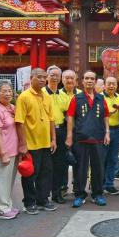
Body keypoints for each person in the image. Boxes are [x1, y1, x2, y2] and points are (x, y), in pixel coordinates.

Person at [65, 71, 110, 207]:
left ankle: (97, 194)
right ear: (82, 81)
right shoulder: (76, 98)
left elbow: (106, 116)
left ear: (96, 81)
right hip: (80, 138)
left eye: (92, 78)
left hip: (98, 137)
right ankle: (80, 194)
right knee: (80, 168)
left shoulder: (101, 99)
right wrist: (69, 136)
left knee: (98, 168)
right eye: (87, 78)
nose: (89, 81)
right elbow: (70, 117)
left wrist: (107, 132)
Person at [15, 68, 56, 215]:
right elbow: (19, 122)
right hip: (31, 143)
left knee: (46, 172)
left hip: (45, 143)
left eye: (44, 77)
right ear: (31, 78)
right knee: (30, 173)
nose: (42, 80)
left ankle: (43, 200)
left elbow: (52, 119)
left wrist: (53, 139)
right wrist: (22, 144)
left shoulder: (46, 96)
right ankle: (29, 202)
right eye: (38, 77)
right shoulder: (24, 97)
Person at [0, 80, 20, 220]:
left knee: (9, 181)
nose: (8, 94)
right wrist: (3, 153)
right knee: (2, 181)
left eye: (9, 91)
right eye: (4, 91)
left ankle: (7, 204)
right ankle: (1, 209)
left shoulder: (12, 108)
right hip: (4, 151)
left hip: (13, 150)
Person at [43, 65, 69, 204]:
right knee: (46, 165)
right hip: (44, 132)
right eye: (52, 75)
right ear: (47, 76)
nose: (54, 77)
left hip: (60, 131)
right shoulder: (41, 92)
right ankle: (43, 194)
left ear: (60, 78)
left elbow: (68, 115)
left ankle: (57, 193)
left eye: (57, 75)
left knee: (60, 164)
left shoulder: (63, 94)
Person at [102, 76, 119, 195]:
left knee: (113, 158)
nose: (111, 86)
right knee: (102, 158)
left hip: (117, 129)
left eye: (113, 84)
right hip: (103, 131)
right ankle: (100, 184)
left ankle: (109, 184)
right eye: (109, 84)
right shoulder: (99, 97)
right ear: (104, 85)